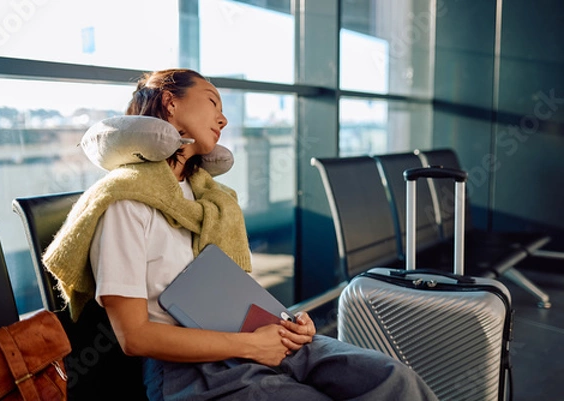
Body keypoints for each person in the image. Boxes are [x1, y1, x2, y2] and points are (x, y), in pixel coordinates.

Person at [44, 68, 438, 400]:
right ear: (170, 102)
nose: (223, 118)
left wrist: (288, 322)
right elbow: (135, 337)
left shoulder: (214, 201)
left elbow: (236, 293)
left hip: (254, 338)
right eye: (213, 101)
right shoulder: (125, 201)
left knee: (395, 380)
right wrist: (251, 347)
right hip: (189, 369)